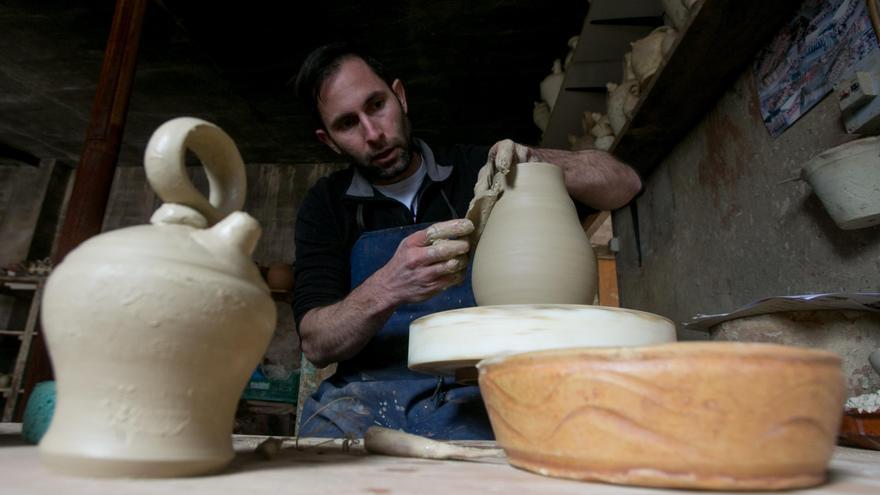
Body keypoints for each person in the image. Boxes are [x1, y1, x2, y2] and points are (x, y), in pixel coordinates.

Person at [292, 42, 641, 439]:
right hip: (366, 395)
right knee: (316, 451)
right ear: (329, 140)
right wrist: (388, 286)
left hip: (478, 388)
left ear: (400, 96)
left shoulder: (481, 170)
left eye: (376, 105)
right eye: (348, 124)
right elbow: (316, 342)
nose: (373, 133)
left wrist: (539, 160)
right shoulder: (326, 206)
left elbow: (623, 183)